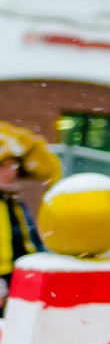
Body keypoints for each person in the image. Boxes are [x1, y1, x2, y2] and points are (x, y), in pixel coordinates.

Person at [0, 123, 57, 302]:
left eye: (14, 166)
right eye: (3, 166)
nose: (11, 173)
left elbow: (29, 242)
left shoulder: (14, 203)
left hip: (18, 279)